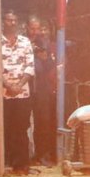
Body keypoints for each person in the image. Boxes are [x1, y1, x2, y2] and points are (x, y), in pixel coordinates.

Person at [0, 11, 35, 174]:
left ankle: (22, 164)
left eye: (15, 20)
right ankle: (3, 163)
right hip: (4, 94)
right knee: (4, 129)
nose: (12, 23)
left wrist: (19, 85)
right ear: (3, 22)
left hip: (22, 93)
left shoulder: (25, 42)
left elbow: (30, 66)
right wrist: (8, 85)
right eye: (9, 20)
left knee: (21, 129)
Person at [27, 17, 57, 165]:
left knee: (43, 122)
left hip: (42, 88)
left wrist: (44, 58)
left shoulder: (44, 44)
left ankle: (42, 154)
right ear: (27, 28)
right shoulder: (22, 43)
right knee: (22, 123)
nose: (35, 31)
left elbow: (51, 65)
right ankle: (23, 156)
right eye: (32, 28)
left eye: (37, 28)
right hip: (25, 88)